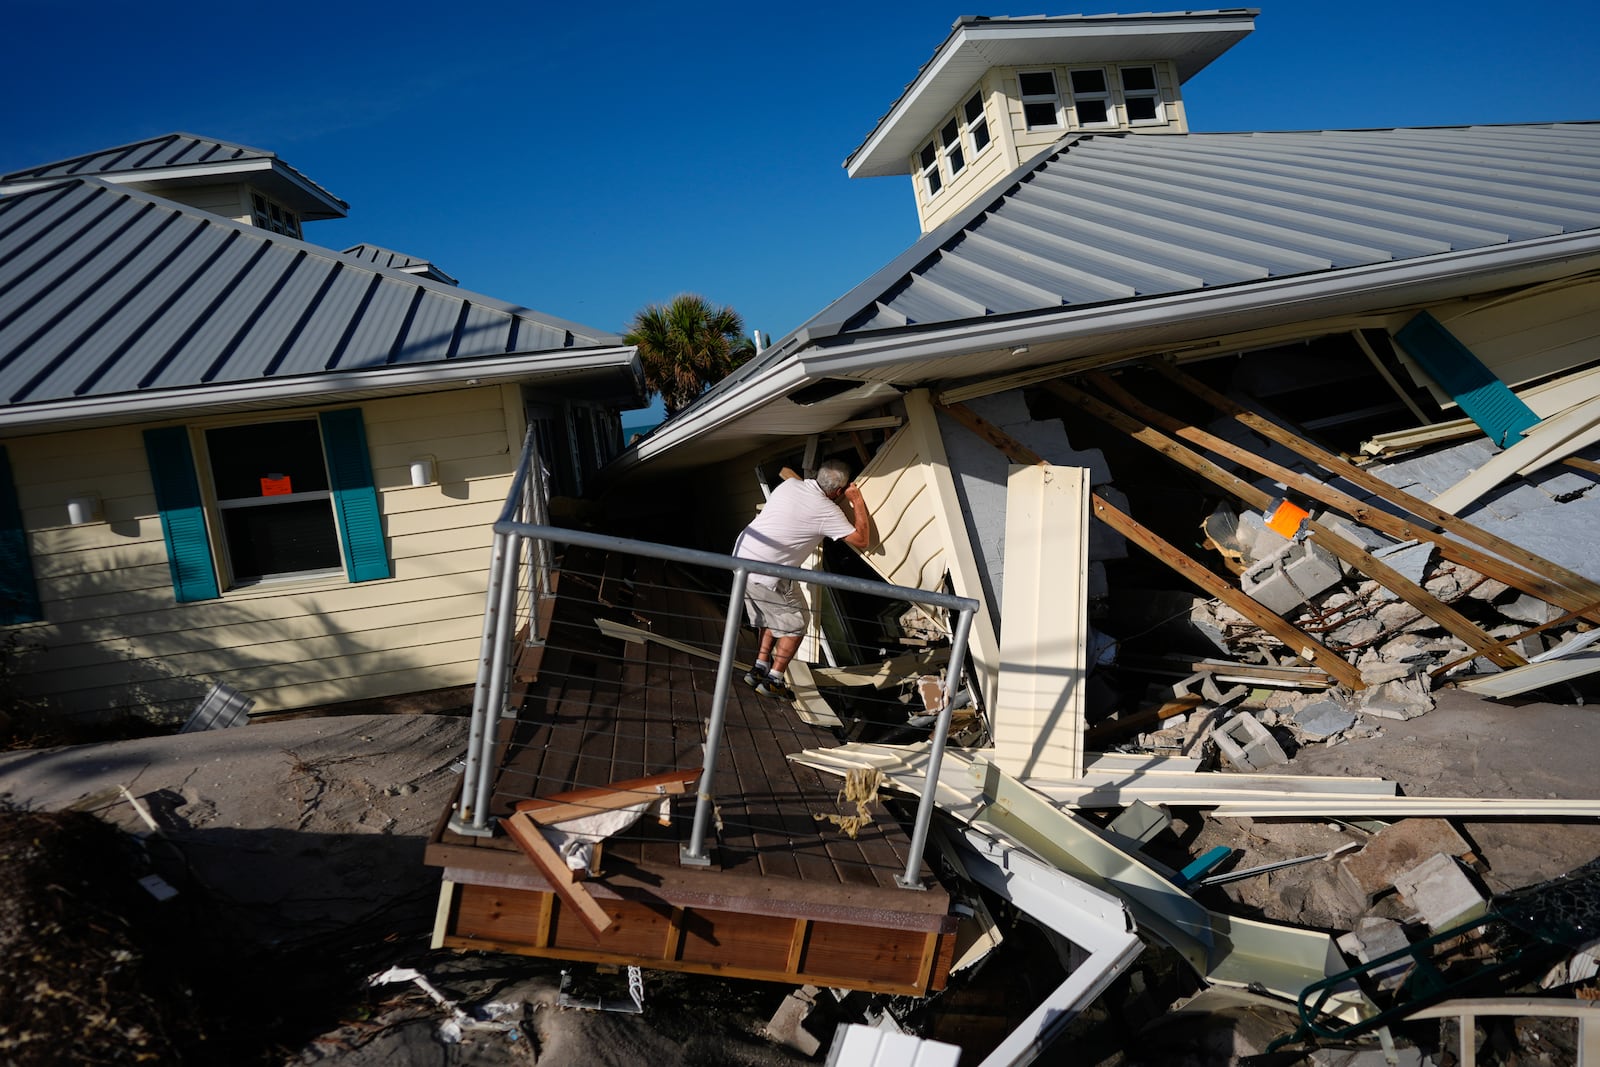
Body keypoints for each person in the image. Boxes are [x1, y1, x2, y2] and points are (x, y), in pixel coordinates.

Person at [732, 458, 872, 699]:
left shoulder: (790, 486)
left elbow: (787, 472)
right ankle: (774, 680)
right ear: (839, 491)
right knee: (795, 625)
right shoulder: (828, 511)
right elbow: (861, 540)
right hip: (769, 573)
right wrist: (857, 500)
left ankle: (759, 668)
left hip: (741, 561)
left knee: (772, 616)